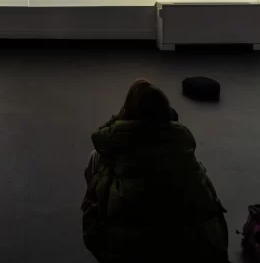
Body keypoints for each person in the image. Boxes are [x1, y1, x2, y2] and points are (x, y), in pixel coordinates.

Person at [82, 79, 228, 263]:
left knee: (96, 157)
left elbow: (98, 137)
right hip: (199, 251)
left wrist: (120, 116)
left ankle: (100, 224)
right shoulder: (181, 134)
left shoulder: (119, 135)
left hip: (129, 251)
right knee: (191, 163)